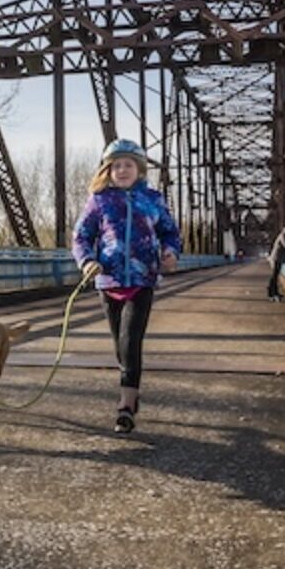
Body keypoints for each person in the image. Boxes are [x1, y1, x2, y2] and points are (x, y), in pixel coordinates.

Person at [72, 139, 183, 433]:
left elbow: (170, 232)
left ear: (139, 169)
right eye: (116, 165)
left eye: (128, 165)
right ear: (108, 170)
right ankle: (131, 390)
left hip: (142, 279)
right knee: (120, 346)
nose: (122, 170)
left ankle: (126, 405)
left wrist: (171, 252)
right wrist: (86, 262)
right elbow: (81, 237)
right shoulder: (99, 200)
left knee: (130, 340)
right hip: (107, 281)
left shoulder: (152, 199)